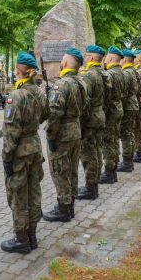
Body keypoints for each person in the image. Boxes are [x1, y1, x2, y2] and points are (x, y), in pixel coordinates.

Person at [0, 51, 49, 254]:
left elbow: (11, 132)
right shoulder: (39, 92)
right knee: (33, 191)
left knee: (19, 194)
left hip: (19, 151)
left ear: (19, 72)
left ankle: (21, 239)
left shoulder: (16, 96)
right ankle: (32, 235)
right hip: (35, 146)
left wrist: (6, 158)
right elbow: (46, 114)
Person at [43, 48, 87, 222]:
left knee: (60, 171)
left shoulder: (62, 84)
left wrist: (50, 135)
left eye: (63, 59)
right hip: (76, 130)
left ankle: (63, 208)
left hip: (62, 133)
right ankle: (70, 206)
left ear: (67, 63)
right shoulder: (81, 82)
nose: (60, 61)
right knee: (72, 170)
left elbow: (54, 113)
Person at [77, 45, 110, 200]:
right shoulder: (104, 73)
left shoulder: (90, 75)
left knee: (89, 153)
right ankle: (94, 184)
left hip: (90, 119)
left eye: (87, 55)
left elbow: (85, 101)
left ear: (90, 57)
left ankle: (91, 188)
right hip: (100, 115)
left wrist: (80, 120)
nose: (85, 57)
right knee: (96, 150)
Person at [99, 46, 125, 184]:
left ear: (110, 58)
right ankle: (113, 170)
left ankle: (109, 172)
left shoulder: (109, 74)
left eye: (106, 58)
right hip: (118, 107)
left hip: (110, 111)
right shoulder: (121, 72)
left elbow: (106, 96)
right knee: (114, 140)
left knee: (108, 141)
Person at [117, 49, 139, 172]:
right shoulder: (134, 71)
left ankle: (127, 162)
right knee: (129, 133)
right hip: (133, 104)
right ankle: (129, 160)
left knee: (126, 134)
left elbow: (123, 92)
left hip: (128, 106)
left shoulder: (126, 73)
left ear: (124, 60)